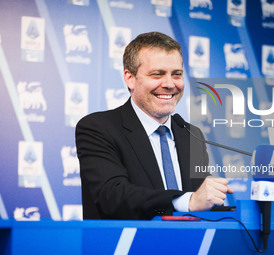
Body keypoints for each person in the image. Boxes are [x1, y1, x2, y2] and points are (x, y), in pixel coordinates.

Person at [76, 32, 233, 220]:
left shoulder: (191, 134)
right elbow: (112, 196)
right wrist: (185, 201)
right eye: (157, 74)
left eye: (177, 74)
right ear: (130, 78)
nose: (169, 84)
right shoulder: (98, 127)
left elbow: (201, 203)